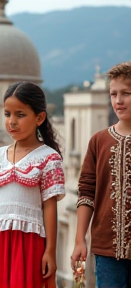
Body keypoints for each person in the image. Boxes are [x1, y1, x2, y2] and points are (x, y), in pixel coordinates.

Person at [0, 82, 66, 288]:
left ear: (39, 118)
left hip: (29, 244)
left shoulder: (48, 158)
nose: (12, 122)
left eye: (20, 115)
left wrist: (50, 251)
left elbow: (50, 207)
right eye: (7, 114)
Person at [71, 61, 131, 288]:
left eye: (126, 93)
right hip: (106, 250)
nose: (118, 100)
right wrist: (80, 240)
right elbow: (86, 192)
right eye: (114, 94)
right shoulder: (99, 141)